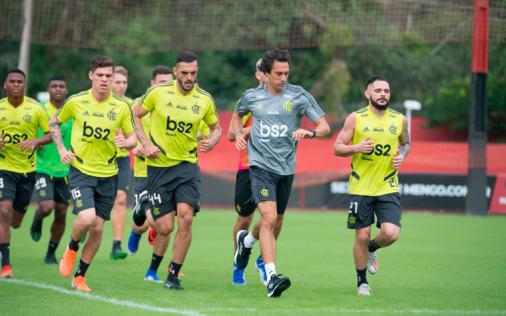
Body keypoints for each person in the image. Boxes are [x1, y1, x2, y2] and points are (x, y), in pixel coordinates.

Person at [232, 49, 330, 297]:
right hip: (260, 165)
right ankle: (272, 276)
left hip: (286, 169)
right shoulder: (251, 96)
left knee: (277, 222)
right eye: (278, 73)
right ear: (265, 73)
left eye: (286, 73)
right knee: (269, 218)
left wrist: (311, 133)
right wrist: (239, 134)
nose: (283, 78)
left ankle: (247, 243)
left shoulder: (298, 95)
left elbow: (325, 127)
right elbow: (237, 116)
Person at [133, 51, 221, 290]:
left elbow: (216, 127)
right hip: (159, 168)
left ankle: (172, 275)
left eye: (193, 73)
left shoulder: (204, 99)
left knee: (186, 219)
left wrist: (212, 141)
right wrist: (145, 143)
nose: (189, 77)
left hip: (187, 167)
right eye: (184, 73)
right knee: (164, 227)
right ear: (175, 72)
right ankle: (144, 207)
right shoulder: (158, 93)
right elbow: (135, 114)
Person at [51, 56, 137, 292]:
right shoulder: (76, 101)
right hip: (81, 170)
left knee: (98, 228)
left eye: (108, 76)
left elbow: (132, 138)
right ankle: (71, 247)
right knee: (87, 219)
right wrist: (60, 149)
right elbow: (54, 123)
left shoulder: (120, 107)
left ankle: (80, 276)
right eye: (100, 75)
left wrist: (126, 142)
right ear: (91, 76)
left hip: (108, 173)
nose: (104, 80)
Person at [333, 76, 411, 296]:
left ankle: (371, 250)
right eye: (378, 90)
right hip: (361, 187)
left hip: (387, 185)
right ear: (367, 94)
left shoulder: (400, 120)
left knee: (391, 233)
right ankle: (362, 283)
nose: (383, 94)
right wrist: (357, 147)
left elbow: (406, 144)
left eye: (386, 90)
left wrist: (402, 157)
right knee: (361, 235)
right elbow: (337, 148)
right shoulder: (355, 119)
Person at [0, 69, 52, 278]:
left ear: (25, 85)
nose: (15, 85)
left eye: (19, 81)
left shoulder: (35, 108)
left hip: (28, 172)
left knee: (15, 221)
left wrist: (35, 141)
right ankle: (6, 265)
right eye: (11, 81)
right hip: (4, 169)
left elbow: (51, 134)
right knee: (3, 212)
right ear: (5, 85)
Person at [227, 58, 269, 286]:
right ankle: (238, 262)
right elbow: (231, 135)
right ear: (258, 75)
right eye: (264, 71)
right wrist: (246, 131)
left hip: (274, 167)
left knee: (271, 217)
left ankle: (264, 260)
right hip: (248, 166)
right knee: (244, 218)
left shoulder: (286, 100)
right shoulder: (248, 99)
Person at [126, 65, 173, 263]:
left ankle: (162, 265)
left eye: (170, 82)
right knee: (148, 223)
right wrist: (135, 147)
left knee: (168, 222)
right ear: (152, 84)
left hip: (170, 171)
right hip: (144, 172)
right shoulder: (137, 105)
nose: (167, 86)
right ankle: (136, 232)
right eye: (162, 82)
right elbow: (125, 132)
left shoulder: (175, 104)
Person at [30, 76, 72, 264]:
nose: (57, 89)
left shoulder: (71, 111)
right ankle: (38, 219)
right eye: (54, 86)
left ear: (66, 90)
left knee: (62, 211)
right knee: (47, 207)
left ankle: (51, 253)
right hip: (43, 167)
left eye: (61, 86)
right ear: (48, 90)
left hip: (66, 170)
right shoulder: (41, 109)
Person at [109, 65, 133, 260]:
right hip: (97, 159)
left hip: (122, 158)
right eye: (117, 82)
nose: (121, 86)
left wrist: (134, 143)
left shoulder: (131, 105)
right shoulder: (96, 103)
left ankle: (116, 244)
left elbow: (136, 133)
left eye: (124, 82)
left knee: (121, 198)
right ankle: (82, 229)